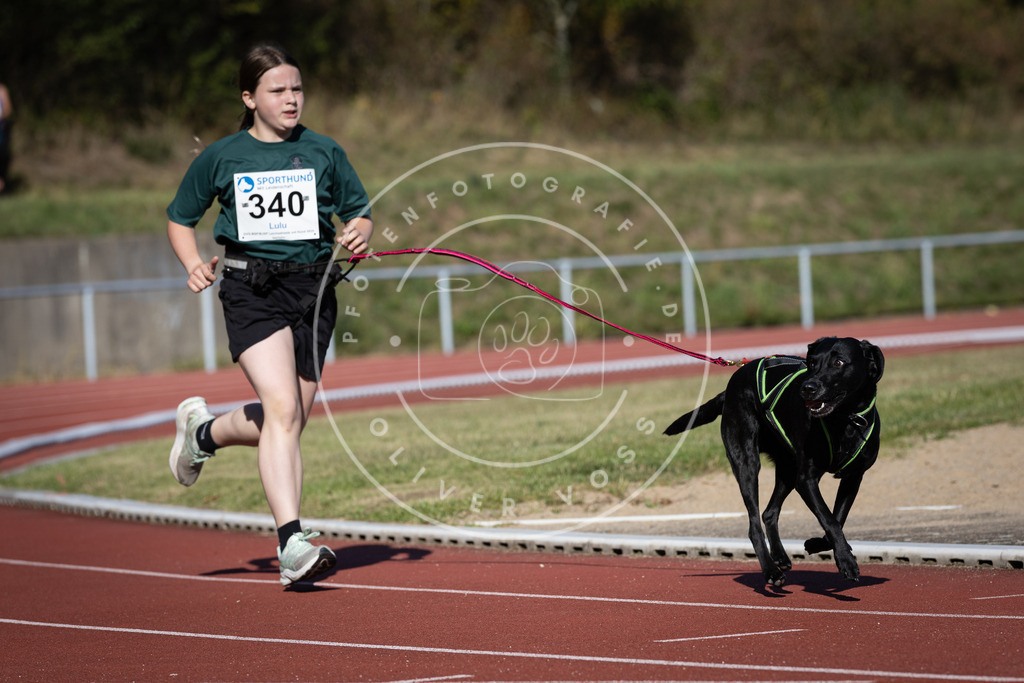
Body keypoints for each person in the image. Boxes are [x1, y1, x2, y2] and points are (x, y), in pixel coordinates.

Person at [166, 44, 373, 587]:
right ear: (249, 97)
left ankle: (203, 434)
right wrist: (192, 265)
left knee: (288, 421)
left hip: (314, 291)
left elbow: (359, 211)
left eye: (297, 89)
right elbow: (180, 218)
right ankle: (292, 545)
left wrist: (359, 232)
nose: (290, 99)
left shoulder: (325, 151)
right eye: (278, 90)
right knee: (282, 409)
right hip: (250, 289)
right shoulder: (222, 156)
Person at [0, 82, 12, 194]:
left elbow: (8, 110)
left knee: (3, 155)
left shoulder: (2, 90)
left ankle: (2, 184)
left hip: (1, 129)